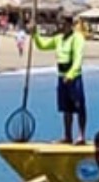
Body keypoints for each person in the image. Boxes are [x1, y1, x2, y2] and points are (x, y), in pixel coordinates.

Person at [32, 13, 90, 144]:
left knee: (79, 106)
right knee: (66, 108)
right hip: (61, 76)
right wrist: (34, 34)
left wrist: (71, 74)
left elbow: (78, 59)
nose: (60, 26)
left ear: (70, 24)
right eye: (59, 24)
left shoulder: (77, 38)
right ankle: (67, 136)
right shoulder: (58, 38)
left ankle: (81, 135)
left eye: (63, 24)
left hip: (74, 76)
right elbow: (42, 45)